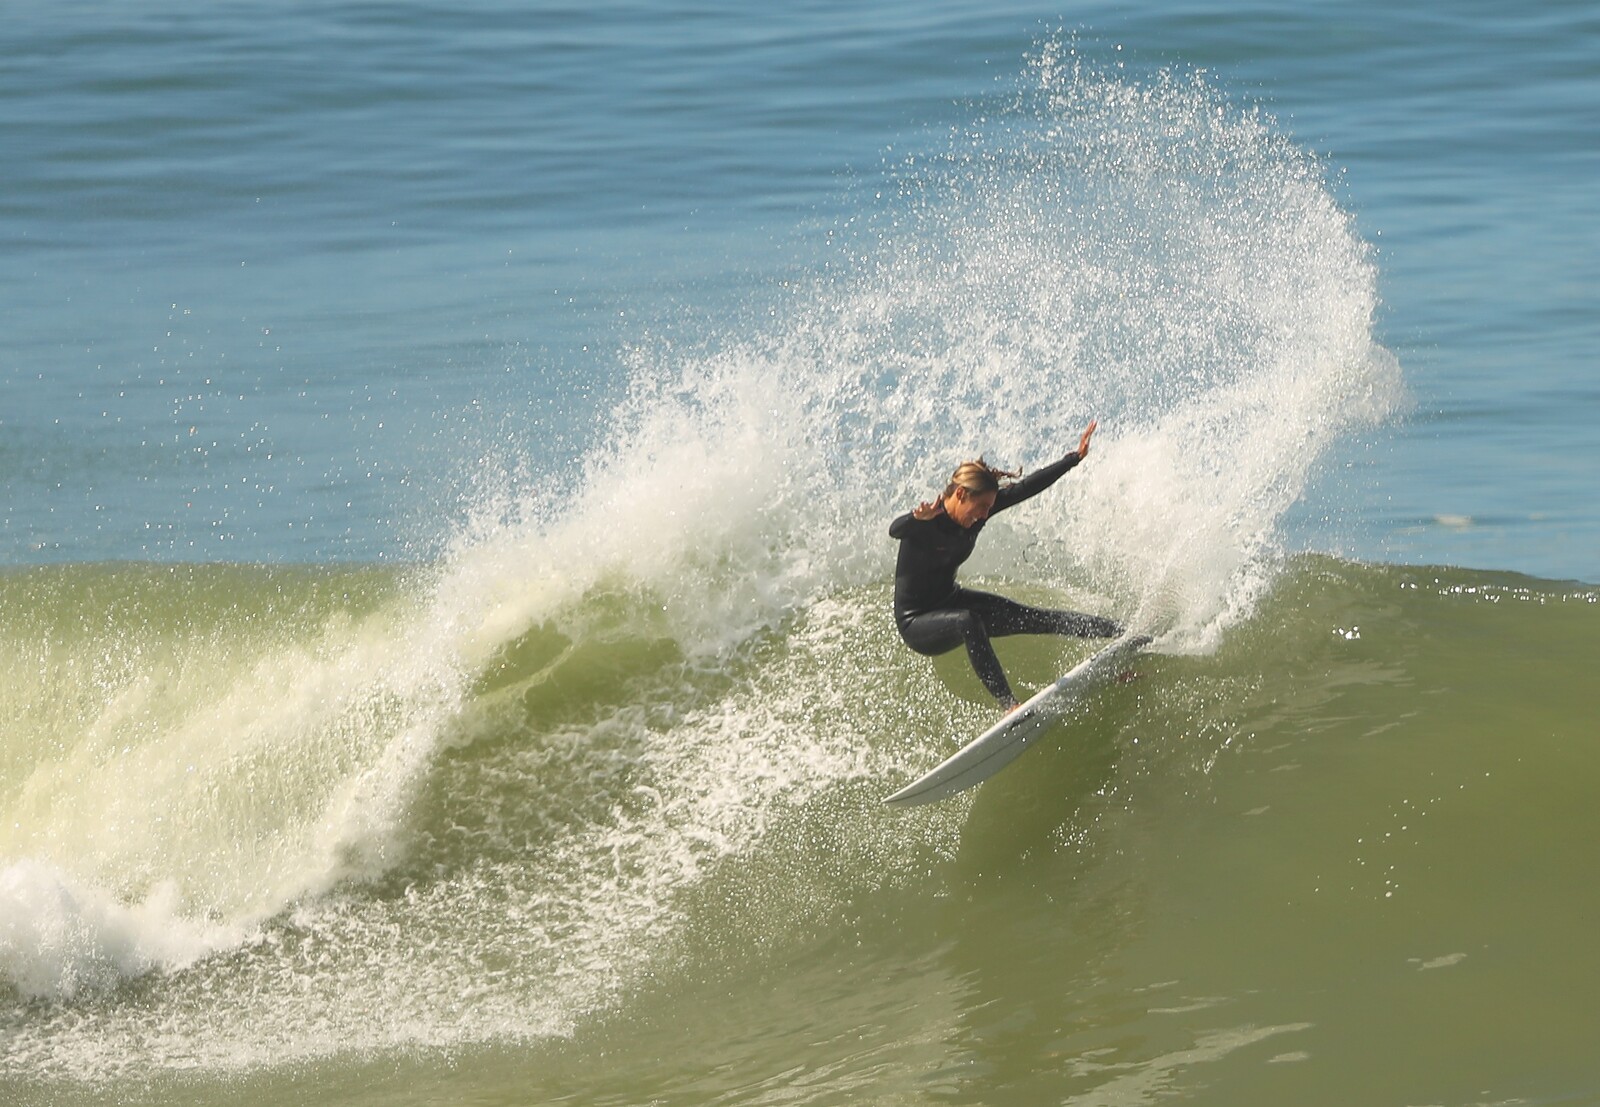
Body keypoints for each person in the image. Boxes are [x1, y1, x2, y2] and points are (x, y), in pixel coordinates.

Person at [889, 421, 1121, 713]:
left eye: (989, 508)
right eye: (982, 507)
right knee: (967, 621)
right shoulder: (925, 523)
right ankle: (1008, 704)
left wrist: (1073, 458)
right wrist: (914, 518)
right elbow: (895, 530)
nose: (985, 515)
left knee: (1035, 618)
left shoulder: (979, 511)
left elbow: (1026, 488)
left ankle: (1119, 632)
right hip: (917, 622)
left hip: (951, 600)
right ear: (961, 495)